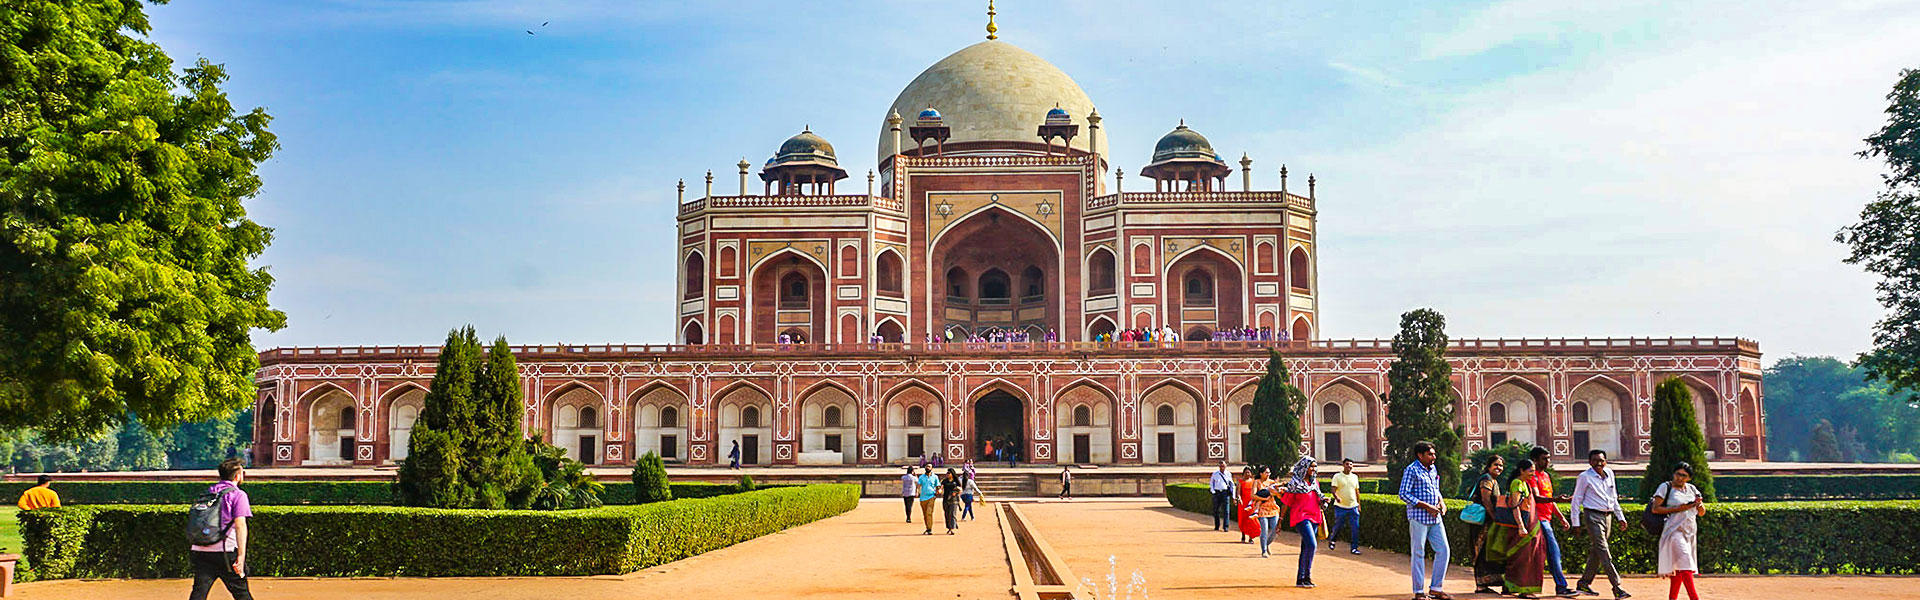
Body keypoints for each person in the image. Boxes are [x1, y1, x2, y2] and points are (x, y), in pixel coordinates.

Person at [1570, 449, 1632, 599]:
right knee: (1604, 551)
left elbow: (1613, 497)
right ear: (1589, 462)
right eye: (1595, 460)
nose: (1599, 463)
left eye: (1601, 460)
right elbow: (1576, 500)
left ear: (1605, 461)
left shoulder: (1609, 473)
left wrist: (1620, 517)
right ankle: (1617, 587)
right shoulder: (1585, 477)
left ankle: (1584, 583)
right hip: (1592, 516)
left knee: (1597, 552)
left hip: (1607, 516)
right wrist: (1575, 522)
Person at [189, 458, 254, 600]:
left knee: (199, 594)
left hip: (201, 549)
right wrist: (241, 557)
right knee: (241, 593)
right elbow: (240, 525)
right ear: (237, 476)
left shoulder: (209, 492)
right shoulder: (238, 495)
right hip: (225, 552)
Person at [1487, 458, 1548, 599]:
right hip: (1520, 529)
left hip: (1527, 527)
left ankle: (1509, 587)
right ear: (1522, 470)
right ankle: (1523, 589)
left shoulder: (1525, 484)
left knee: (1521, 558)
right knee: (1522, 559)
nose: (1533, 473)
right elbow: (1515, 506)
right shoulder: (1517, 484)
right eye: (1530, 471)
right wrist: (1521, 526)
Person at [1399, 441, 1452, 600]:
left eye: (1434, 454)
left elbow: (1435, 489)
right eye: (1430, 454)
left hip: (1435, 518)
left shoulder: (1432, 469)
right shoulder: (1411, 470)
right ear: (1420, 455)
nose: (1433, 457)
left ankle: (1436, 587)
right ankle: (1419, 591)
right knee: (1418, 553)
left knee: (1444, 550)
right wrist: (1425, 506)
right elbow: (1403, 494)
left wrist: (1441, 502)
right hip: (1418, 518)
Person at [1526, 447, 1577, 597]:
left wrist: (1561, 517)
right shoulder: (1532, 476)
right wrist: (1556, 499)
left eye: (1548, 458)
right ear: (1535, 460)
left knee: (1545, 554)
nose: (1548, 461)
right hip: (1538, 519)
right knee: (1553, 552)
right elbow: (1537, 498)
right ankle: (1561, 586)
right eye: (1544, 458)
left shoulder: (1546, 476)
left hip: (1546, 519)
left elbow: (1549, 499)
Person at [1651, 463, 1705, 600]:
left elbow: (1702, 512)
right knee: (1686, 563)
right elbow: (1655, 509)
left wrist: (1698, 505)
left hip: (1690, 532)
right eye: (1677, 474)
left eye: (1683, 475)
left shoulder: (1692, 489)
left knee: (1679, 568)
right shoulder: (1665, 487)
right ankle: (1694, 598)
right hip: (1673, 531)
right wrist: (1679, 508)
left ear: (1689, 478)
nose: (1679, 478)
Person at [1281, 455, 1326, 588]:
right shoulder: (1295, 484)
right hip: (1301, 517)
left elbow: (1317, 498)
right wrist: (1280, 519)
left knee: (1306, 547)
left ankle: (1303, 578)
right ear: (1304, 467)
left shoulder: (1314, 483)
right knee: (1312, 545)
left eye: (1314, 466)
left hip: (1315, 517)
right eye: (1310, 466)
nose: (1313, 469)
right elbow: (1286, 502)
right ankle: (1306, 575)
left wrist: (1324, 501)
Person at [1470, 455, 1509, 594]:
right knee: (1482, 552)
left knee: (1489, 551)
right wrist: (1495, 519)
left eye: (1501, 465)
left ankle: (1487, 583)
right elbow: (1486, 501)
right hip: (1483, 522)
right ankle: (1481, 585)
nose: (1498, 468)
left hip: (1488, 520)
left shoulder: (1493, 480)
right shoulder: (1487, 479)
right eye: (1496, 465)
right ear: (1489, 466)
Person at [1327, 458, 1362, 555]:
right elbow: (1333, 489)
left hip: (1353, 506)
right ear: (1343, 465)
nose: (1349, 466)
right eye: (1347, 464)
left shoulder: (1355, 477)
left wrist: (1359, 504)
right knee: (1338, 526)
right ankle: (1333, 540)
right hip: (1340, 506)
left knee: (1355, 528)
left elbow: (1357, 491)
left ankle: (1354, 548)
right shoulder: (1337, 476)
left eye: (1351, 464)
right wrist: (1337, 497)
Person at [1251, 466, 1282, 558]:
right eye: (1266, 472)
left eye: (1269, 472)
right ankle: (1264, 550)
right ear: (1261, 473)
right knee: (1264, 530)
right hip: (1262, 508)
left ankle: (1267, 543)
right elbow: (1252, 495)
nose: (1268, 474)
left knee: (1275, 529)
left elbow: (1280, 496)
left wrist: (1276, 493)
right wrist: (1264, 498)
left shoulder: (1272, 483)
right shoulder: (1257, 482)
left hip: (1273, 508)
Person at [1209, 461, 1236, 531]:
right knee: (1216, 510)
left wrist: (1233, 495)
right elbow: (1211, 483)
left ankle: (1226, 527)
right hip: (1217, 493)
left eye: (1223, 466)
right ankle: (1217, 525)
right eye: (1221, 466)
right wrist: (1213, 491)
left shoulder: (1228, 474)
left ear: (1226, 466)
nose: (1222, 468)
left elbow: (1232, 484)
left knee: (1226, 510)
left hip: (1225, 493)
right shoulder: (1215, 474)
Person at [1237, 466, 1262, 543]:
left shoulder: (1254, 482)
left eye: (1249, 472)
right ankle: (1243, 535)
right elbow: (1238, 492)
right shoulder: (1241, 481)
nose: (1247, 474)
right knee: (1243, 519)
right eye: (1246, 472)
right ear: (1243, 473)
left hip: (1251, 503)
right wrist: (1239, 498)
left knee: (1251, 520)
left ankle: (1251, 537)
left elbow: (1257, 492)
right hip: (1243, 503)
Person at [916, 466, 940, 535]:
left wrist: (939, 490)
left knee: (929, 513)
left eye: (929, 467)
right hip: (923, 497)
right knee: (925, 514)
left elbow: (937, 485)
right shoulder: (921, 477)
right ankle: (927, 527)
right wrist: (917, 492)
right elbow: (918, 485)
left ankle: (929, 529)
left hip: (931, 496)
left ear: (932, 468)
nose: (928, 468)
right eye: (927, 467)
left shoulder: (935, 477)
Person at [941, 468, 962, 535]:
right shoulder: (944, 481)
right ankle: (949, 527)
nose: (947, 474)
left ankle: (952, 528)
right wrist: (939, 490)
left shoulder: (956, 481)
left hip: (954, 500)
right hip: (946, 499)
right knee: (947, 514)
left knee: (952, 514)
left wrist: (956, 493)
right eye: (947, 473)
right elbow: (941, 487)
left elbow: (960, 489)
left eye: (949, 473)